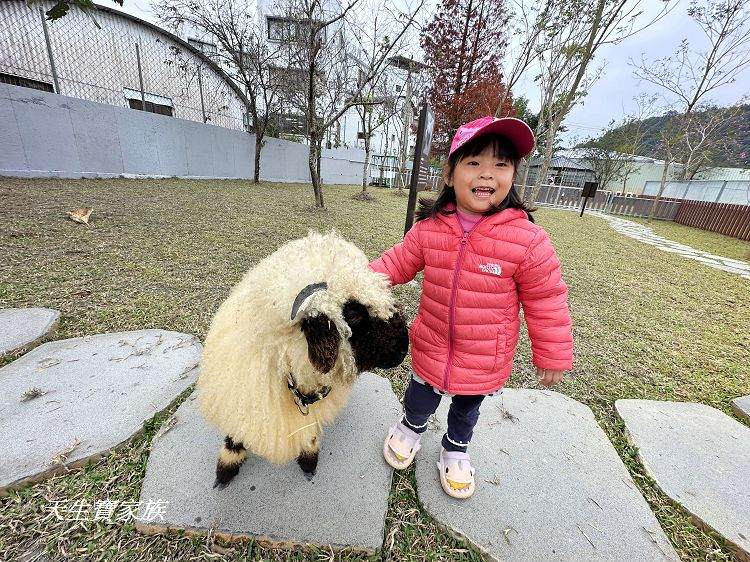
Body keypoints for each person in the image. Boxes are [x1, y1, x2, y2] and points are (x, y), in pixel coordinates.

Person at [369, 116, 573, 499]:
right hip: (431, 342)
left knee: (466, 409)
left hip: (484, 354)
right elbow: (397, 263)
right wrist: (357, 281)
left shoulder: (528, 239)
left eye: (501, 165)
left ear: (513, 176)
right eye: (474, 162)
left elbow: (546, 298)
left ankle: (455, 448)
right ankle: (411, 427)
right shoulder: (430, 228)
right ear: (449, 173)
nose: (487, 174)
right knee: (419, 396)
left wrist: (553, 354)